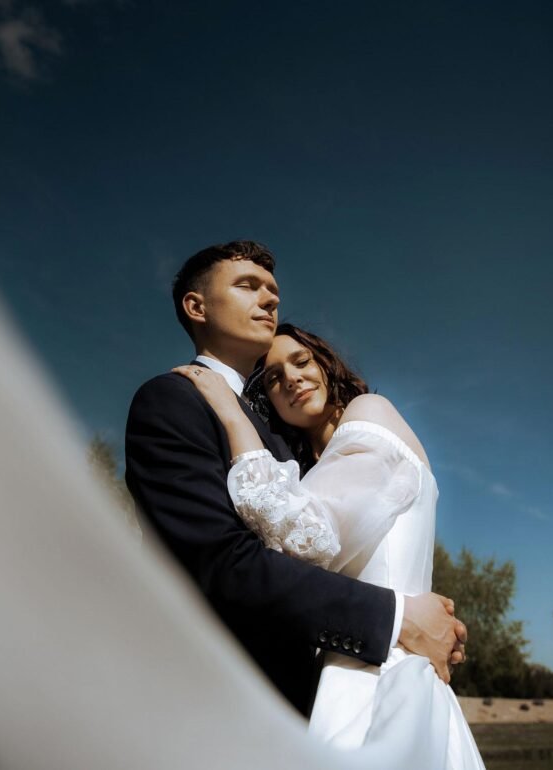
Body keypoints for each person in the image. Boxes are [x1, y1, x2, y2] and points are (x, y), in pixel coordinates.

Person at [125, 240, 465, 720]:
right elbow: (220, 564)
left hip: (317, 703)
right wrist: (397, 618)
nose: (269, 299)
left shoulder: (286, 449)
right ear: (196, 306)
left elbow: (316, 549)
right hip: (225, 704)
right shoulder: (174, 399)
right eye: (248, 286)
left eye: (273, 291)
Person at [173, 323, 485, 768]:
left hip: (383, 682)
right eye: (274, 379)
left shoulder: (370, 412)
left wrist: (232, 416)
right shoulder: (311, 471)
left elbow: (307, 536)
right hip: (341, 672)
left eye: (301, 362)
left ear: (326, 364)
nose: (292, 379)